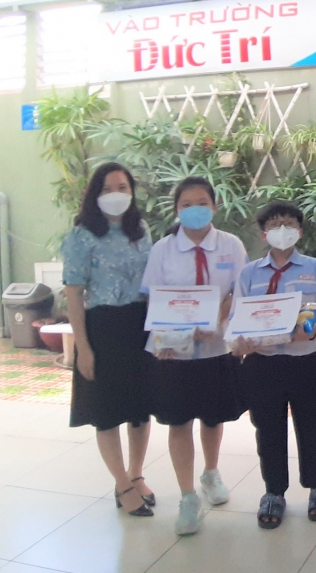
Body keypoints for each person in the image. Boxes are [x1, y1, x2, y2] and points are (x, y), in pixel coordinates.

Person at [141, 176, 246, 535]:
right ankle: (187, 496)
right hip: (174, 352)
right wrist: (170, 335)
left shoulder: (231, 245)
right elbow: (155, 299)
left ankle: (211, 474)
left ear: (214, 206)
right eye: (186, 205)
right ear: (177, 210)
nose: (195, 210)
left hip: (216, 348)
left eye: (202, 203)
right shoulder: (163, 249)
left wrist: (216, 320)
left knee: (213, 418)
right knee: (179, 421)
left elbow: (239, 292)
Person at [229, 201, 316, 527]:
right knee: (267, 427)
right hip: (263, 363)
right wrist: (240, 342)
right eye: (275, 225)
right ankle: (274, 492)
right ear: (264, 234)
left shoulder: (315, 269)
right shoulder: (249, 273)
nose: (282, 230)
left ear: (299, 231)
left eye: (289, 224)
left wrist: (311, 330)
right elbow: (237, 318)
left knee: (312, 423)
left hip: (306, 360)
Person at [63, 162, 155, 517]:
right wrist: (82, 347)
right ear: (94, 194)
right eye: (106, 188)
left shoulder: (141, 230)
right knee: (107, 410)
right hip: (101, 328)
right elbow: (74, 294)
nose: (115, 194)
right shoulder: (81, 235)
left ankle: (137, 474)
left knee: (139, 408)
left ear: (132, 192)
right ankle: (122, 484)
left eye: (122, 187)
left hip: (139, 324)